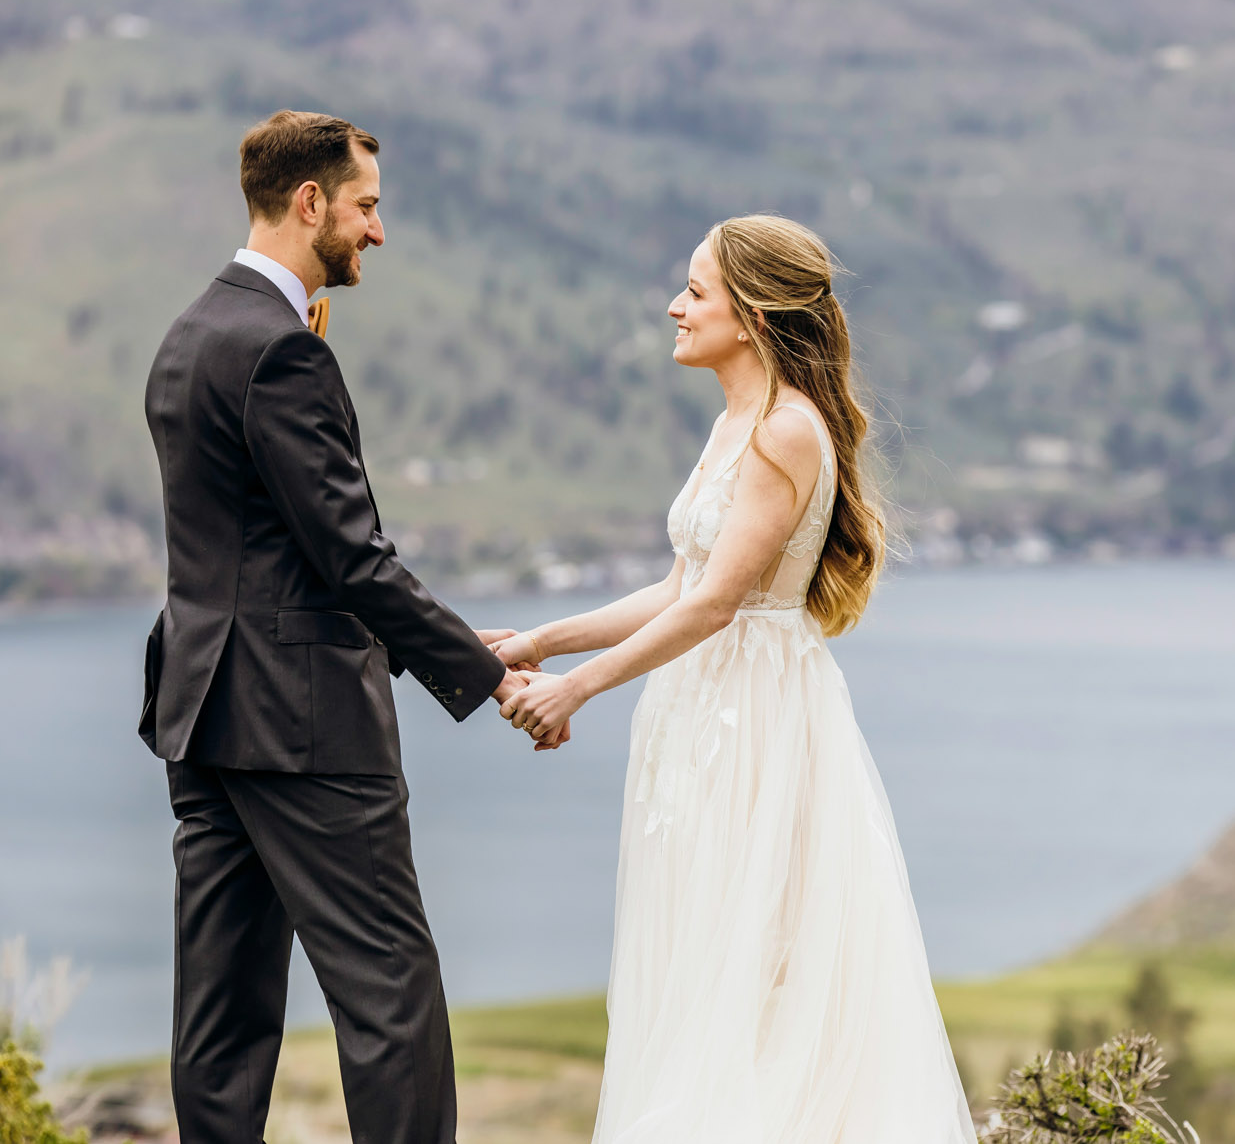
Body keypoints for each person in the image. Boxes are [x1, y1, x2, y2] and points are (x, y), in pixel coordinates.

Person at [490, 214, 979, 1143]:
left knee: (758, 954)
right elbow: (679, 583)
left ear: (751, 315)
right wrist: (540, 641)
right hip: (699, 706)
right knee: (701, 940)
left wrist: (577, 688)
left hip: (753, 713)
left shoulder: (787, 432)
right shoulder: (737, 422)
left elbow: (716, 604)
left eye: (697, 291)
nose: (676, 307)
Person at [139, 109, 543, 1144]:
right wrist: (481, 669)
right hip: (302, 719)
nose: (376, 230)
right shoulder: (280, 352)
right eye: (365, 206)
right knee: (389, 994)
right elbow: (348, 557)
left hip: (203, 712)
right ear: (309, 201)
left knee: (221, 1011)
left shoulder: (190, 333)